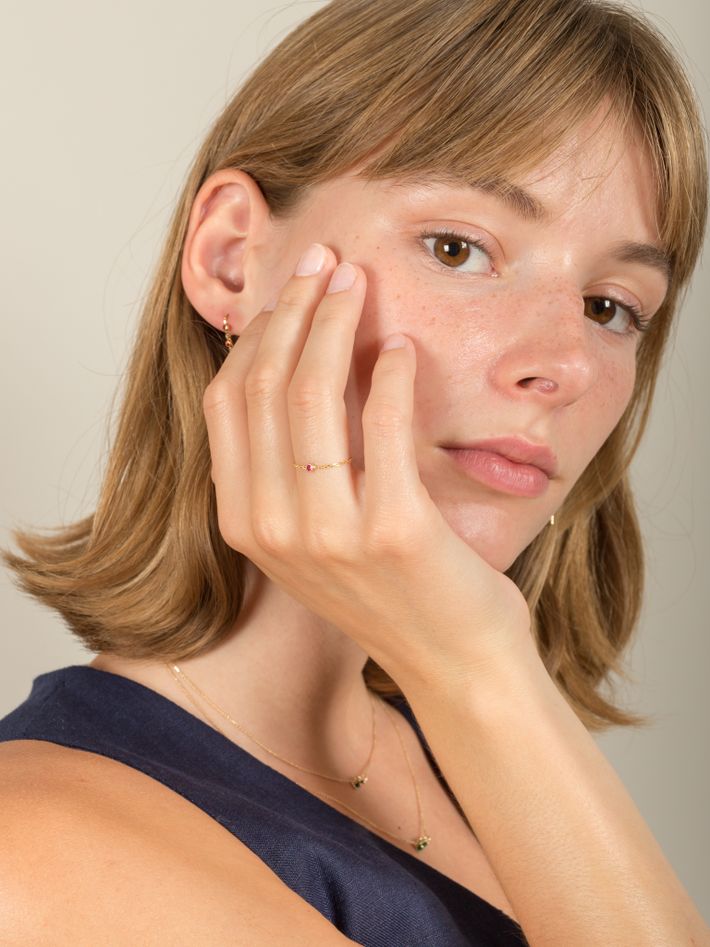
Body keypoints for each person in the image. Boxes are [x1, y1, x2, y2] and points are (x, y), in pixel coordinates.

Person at [0, 0, 708, 943]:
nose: (566, 363)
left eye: (611, 305)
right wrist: (477, 661)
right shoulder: (37, 845)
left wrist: (474, 673)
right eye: (460, 248)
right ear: (231, 259)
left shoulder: (470, 748)